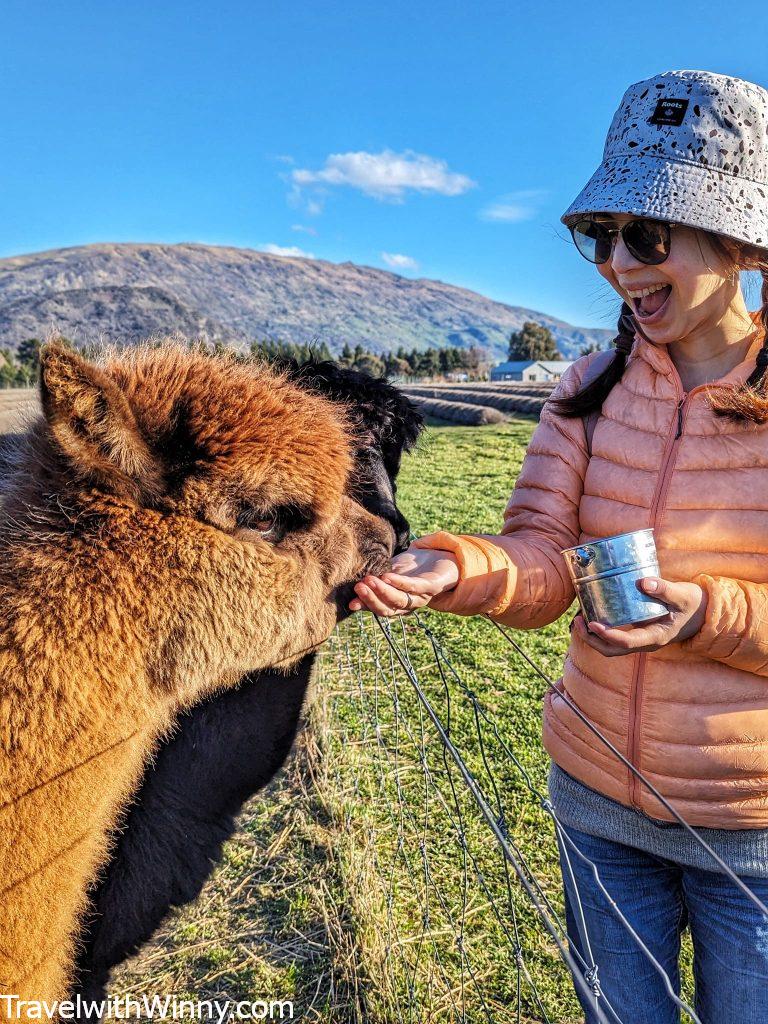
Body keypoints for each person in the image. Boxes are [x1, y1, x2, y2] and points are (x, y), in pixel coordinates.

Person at [350, 70, 768, 1022]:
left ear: (741, 241)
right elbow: (542, 560)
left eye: (648, 235)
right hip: (597, 808)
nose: (620, 263)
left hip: (752, 837)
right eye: (601, 236)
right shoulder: (586, 389)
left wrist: (708, 615)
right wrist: (456, 568)